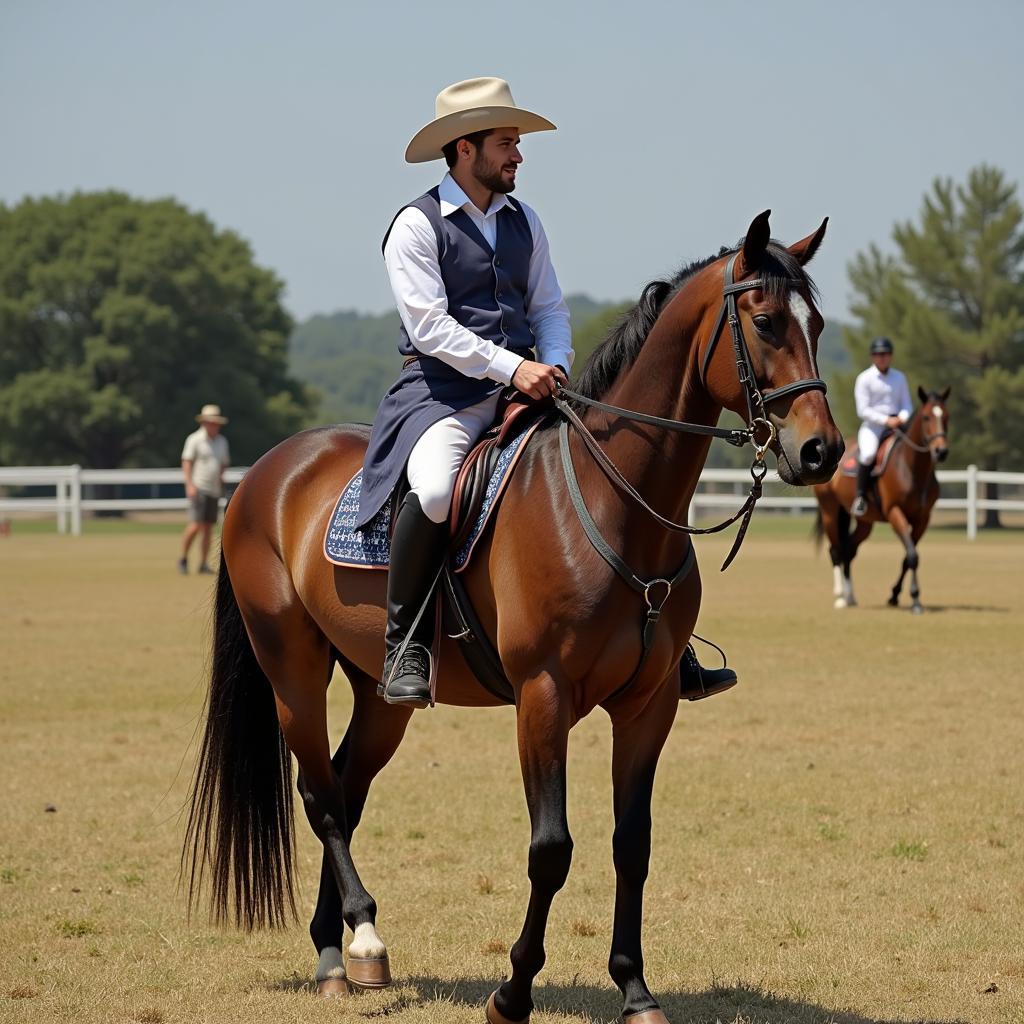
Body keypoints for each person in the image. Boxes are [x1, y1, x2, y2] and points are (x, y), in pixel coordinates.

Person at [359, 77, 733, 708]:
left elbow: (550, 308)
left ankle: (667, 640)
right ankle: (407, 645)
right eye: (507, 143)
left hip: (529, 388)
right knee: (436, 488)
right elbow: (430, 328)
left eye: (517, 143)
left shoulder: (525, 221)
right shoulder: (415, 227)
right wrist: (513, 368)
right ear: (464, 148)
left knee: (613, 469)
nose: (518, 156)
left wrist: (555, 364)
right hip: (441, 396)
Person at [851, 337, 912, 518]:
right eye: (878, 354)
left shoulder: (900, 377)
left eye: (885, 354)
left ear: (891, 356)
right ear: (872, 356)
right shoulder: (864, 378)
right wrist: (886, 420)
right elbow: (862, 410)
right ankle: (860, 497)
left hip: (898, 425)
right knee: (868, 454)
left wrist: (901, 418)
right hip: (873, 426)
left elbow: (907, 405)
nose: (882, 357)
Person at [179, 404, 230, 574]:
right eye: (210, 422)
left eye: (215, 422)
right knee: (196, 525)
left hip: (213, 489)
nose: (213, 425)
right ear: (204, 422)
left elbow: (223, 463)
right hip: (199, 486)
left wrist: (221, 478)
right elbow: (187, 462)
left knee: (208, 527)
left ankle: (203, 563)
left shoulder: (222, 442)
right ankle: (184, 557)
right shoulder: (194, 439)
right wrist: (190, 485)